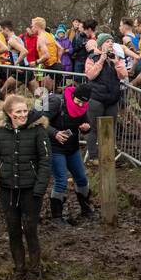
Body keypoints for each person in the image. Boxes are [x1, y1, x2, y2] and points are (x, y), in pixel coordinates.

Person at [0, 93, 52, 280]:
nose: (22, 115)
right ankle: (19, 269)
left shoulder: (38, 131)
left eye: (25, 111)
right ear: (9, 113)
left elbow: (46, 161)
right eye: (18, 112)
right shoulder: (0, 132)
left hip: (31, 188)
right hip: (8, 187)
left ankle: (35, 271)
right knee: (13, 230)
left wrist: (40, 186)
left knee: (30, 228)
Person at [45, 81, 96, 225]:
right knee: (61, 180)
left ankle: (85, 208)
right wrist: (54, 133)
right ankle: (57, 216)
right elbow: (40, 121)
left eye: (83, 104)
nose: (80, 106)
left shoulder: (83, 107)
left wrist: (86, 128)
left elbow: (86, 124)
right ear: (73, 96)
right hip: (55, 147)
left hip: (72, 148)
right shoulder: (56, 102)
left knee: (81, 178)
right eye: (78, 102)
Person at [83, 32, 127, 164]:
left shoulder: (116, 58)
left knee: (109, 128)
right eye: (108, 41)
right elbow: (90, 75)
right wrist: (101, 60)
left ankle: (108, 156)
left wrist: (116, 63)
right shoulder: (92, 57)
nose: (111, 43)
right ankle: (93, 156)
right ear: (101, 44)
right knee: (94, 128)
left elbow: (123, 75)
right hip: (96, 98)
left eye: (112, 41)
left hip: (112, 99)